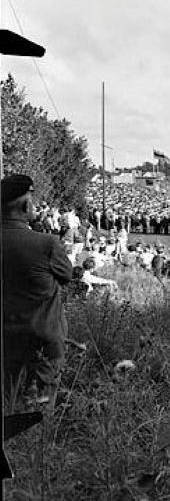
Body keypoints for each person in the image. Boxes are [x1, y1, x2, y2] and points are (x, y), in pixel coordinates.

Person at [2, 174, 73, 407]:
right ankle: (40, 438)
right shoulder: (46, 244)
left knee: (8, 399)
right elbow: (66, 275)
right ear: (25, 205)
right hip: (43, 335)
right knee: (43, 401)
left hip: (6, 336)